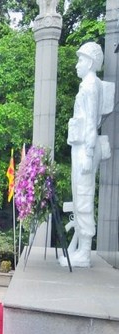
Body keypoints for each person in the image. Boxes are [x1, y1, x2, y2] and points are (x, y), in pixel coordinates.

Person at [64, 42, 110, 267]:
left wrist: (89, 153)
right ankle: (82, 249)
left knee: (83, 196)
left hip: (85, 148)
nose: (77, 65)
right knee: (79, 193)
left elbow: (91, 121)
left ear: (90, 62)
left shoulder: (91, 85)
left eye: (80, 60)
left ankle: (84, 251)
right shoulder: (88, 85)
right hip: (81, 146)